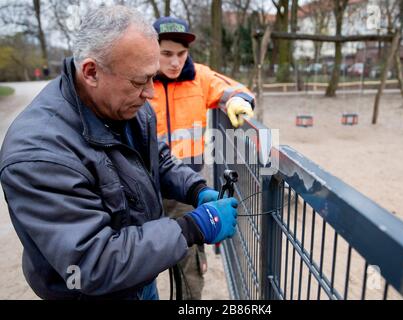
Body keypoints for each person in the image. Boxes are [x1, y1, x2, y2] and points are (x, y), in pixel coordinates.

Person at [0, 5, 238, 300]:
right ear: (91, 72)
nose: (150, 93)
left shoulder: (127, 105)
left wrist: (195, 188)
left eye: (152, 77)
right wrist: (191, 227)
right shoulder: (39, 154)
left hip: (139, 280)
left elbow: (158, 159)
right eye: (140, 81)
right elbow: (92, 263)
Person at [150, 16, 255, 300]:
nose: (175, 62)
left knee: (188, 260)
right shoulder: (140, 79)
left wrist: (236, 100)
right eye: (167, 54)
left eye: (181, 54)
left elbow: (237, 89)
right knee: (136, 258)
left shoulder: (200, 76)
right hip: (143, 187)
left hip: (185, 189)